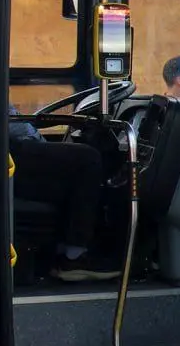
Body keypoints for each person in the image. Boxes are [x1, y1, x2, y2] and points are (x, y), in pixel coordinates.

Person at [7, 108, 119, 282]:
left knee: (73, 172)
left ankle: (60, 251)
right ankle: (74, 256)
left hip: (13, 146)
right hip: (6, 150)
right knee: (89, 158)